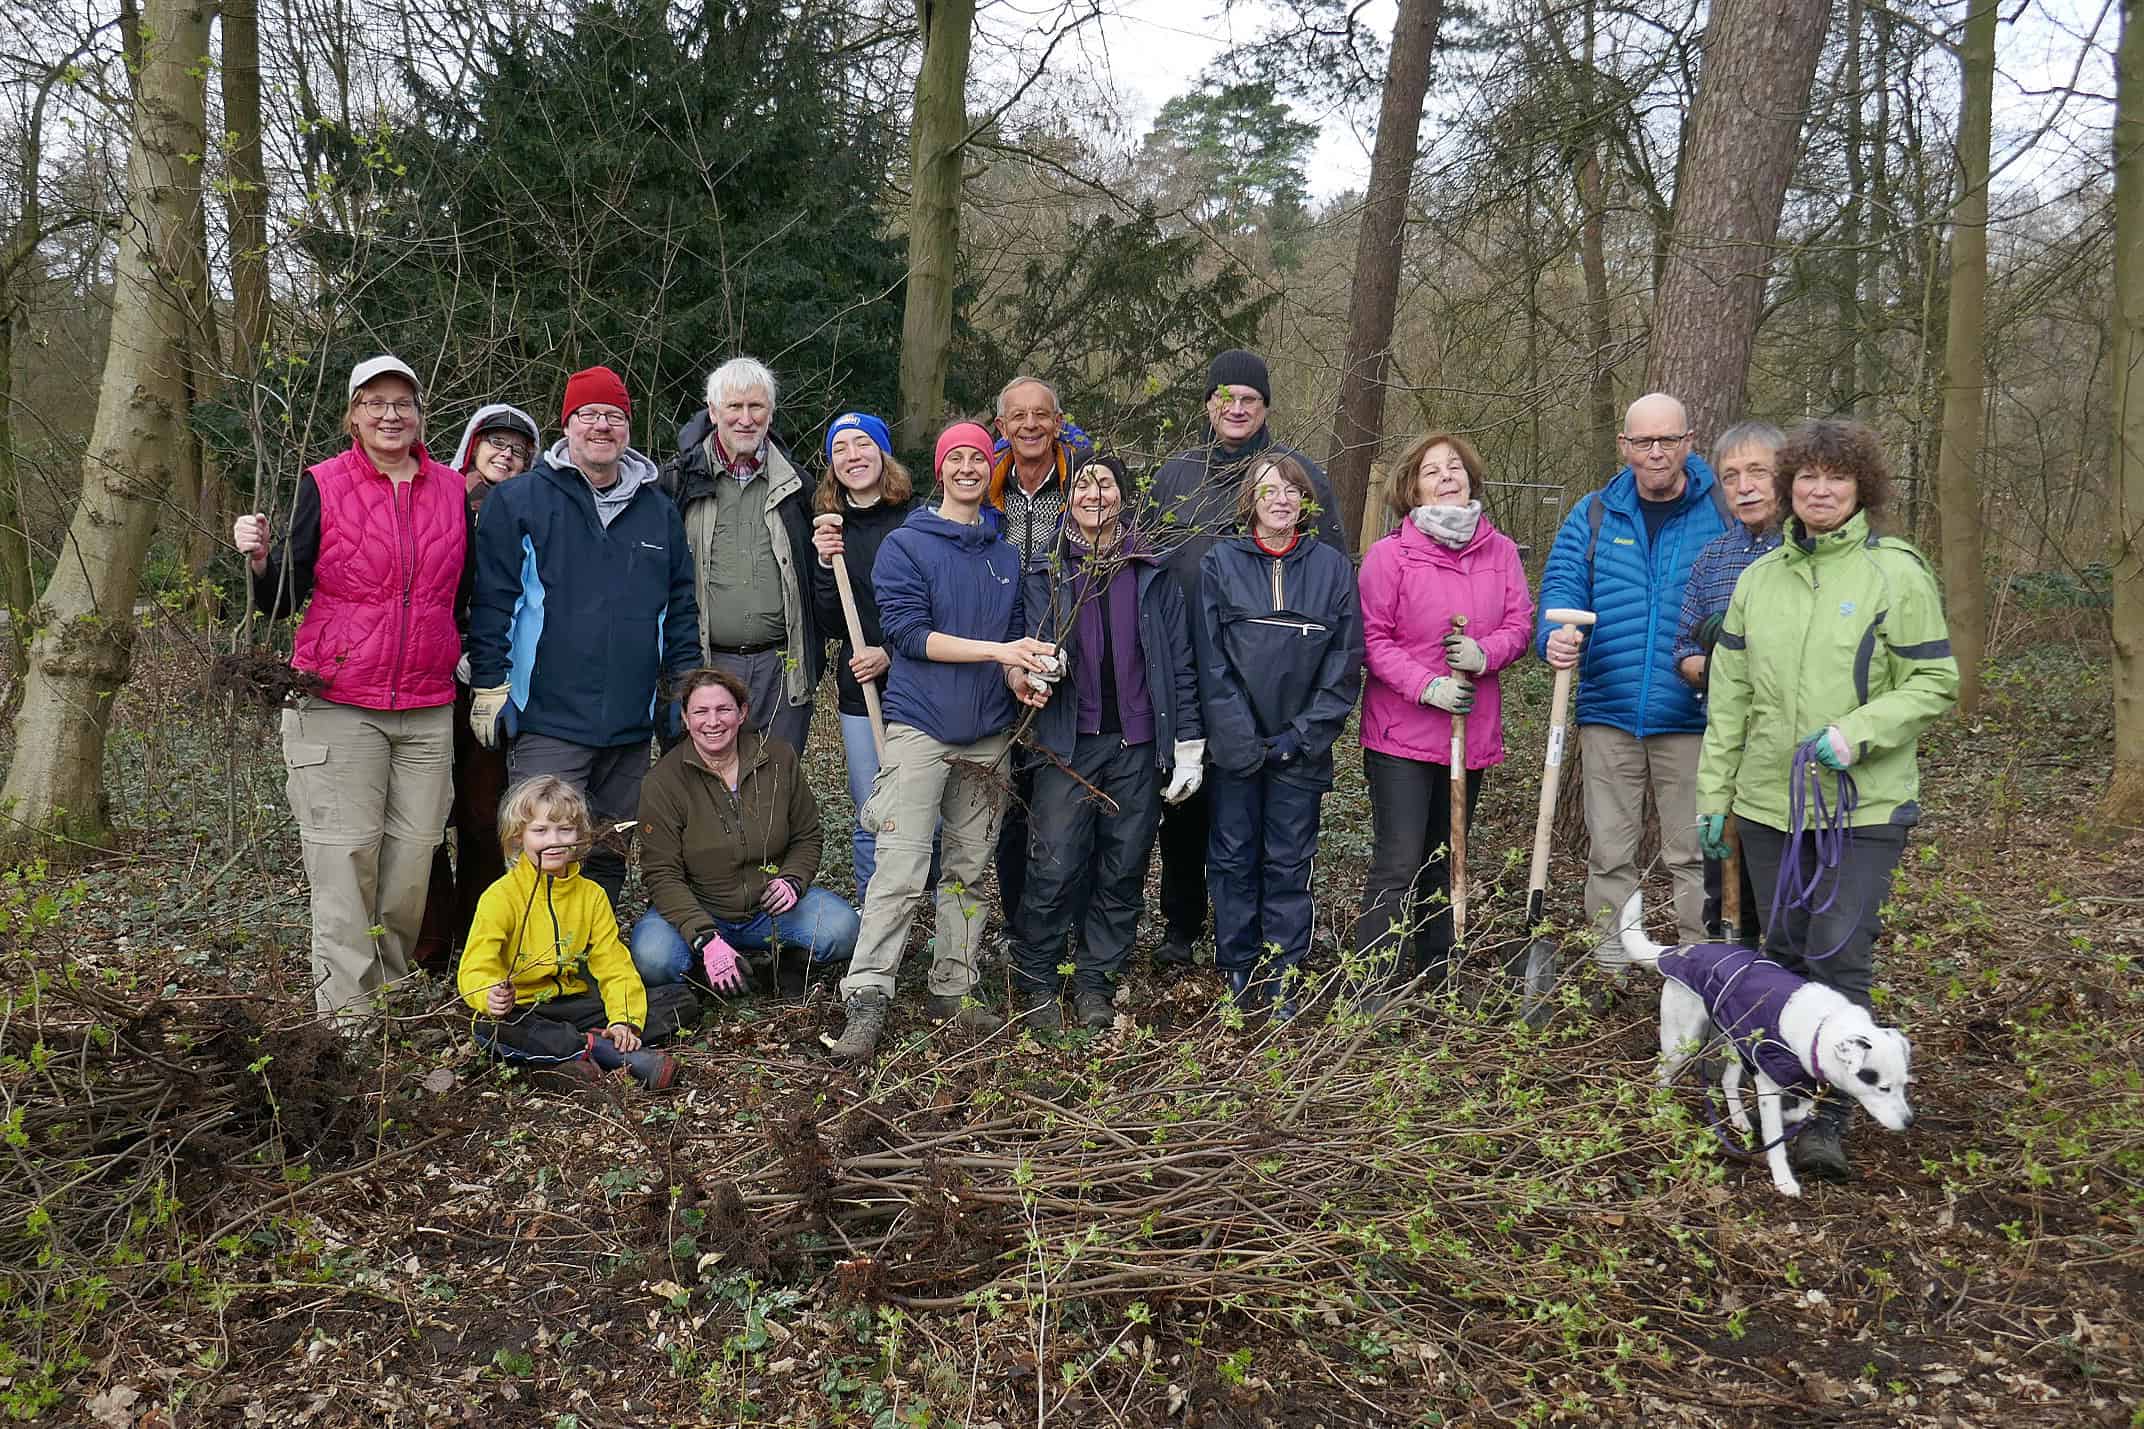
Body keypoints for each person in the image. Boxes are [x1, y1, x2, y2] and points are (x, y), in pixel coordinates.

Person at [1696, 418, 1957, 1182]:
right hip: (1772, 805)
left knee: (1838, 955)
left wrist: (1860, 731)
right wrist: (1717, 796)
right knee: (1778, 955)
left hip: (1862, 807)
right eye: (1805, 476)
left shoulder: (1896, 572)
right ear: (1787, 485)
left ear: (1859, 487)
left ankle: (1828, 1118)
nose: (1818, 489)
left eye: (1834, 478)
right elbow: (1732, 702)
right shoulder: (1759, 578)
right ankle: (1779, 1092)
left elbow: (1935, 681)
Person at [233, 355, 467, 1021]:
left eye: (403, 402)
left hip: (426, 707)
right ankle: (348, 1028)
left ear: (420, 414)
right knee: (345, 865)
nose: (390, 414)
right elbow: (282, 598)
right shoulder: (324, 483)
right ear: (354, 415)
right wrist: (258, 559)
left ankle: (387, 1007)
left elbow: (464, 594)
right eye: (375, 402)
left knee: (410, 867)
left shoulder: (450, 490)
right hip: (336, 705)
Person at [824, 422, 1059, 1061]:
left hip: (987, 735)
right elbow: (905, 634)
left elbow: (1010, 641)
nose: (966, 469)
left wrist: (1018, 674)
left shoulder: (1005, 550)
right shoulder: (907, 545)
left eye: (977, 459)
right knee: (900, 866)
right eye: (954, 458)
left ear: (990, 470)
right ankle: (869, 993)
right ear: (939, 469)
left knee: (969, 869)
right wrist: (998, 651)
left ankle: (953, 986)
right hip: (920, 725)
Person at [465, 365, 700, 910]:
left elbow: (679, 611)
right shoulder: (521, 500)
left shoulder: (658, 513)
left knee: (608, 850)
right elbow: (495, 599)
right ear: (567, 424)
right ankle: (537, 971)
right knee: (544, 850)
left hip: (630, 725)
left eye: (614, 417)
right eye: (589, 414)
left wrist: (680, 693)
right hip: (548, 719)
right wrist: (490, 683)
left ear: (627, 430)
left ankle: (591, 962)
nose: (601, 426)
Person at [1147, 350, 1347, 970]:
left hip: (1277, 683)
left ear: (1265, 408)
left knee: (1265, 824)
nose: (1236, 410)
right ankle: (1183, 925)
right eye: (1224, 398)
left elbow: (1332, 579)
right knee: (1185, 804)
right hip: (1191, 665)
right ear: (1208, 404)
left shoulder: (1299, 476)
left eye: (1249, 401)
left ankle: (1269, 940)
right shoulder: (1178, 475)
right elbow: (1149, 565)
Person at [1534, 392, 1734, 957]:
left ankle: (1703, 969)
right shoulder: (1595, 513)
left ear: (1688, 443)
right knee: (1610, 853)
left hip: (1690, 715)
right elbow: (1561, 589)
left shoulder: (1720, 511)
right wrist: (1553, 638)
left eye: (1667, 439)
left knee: (1693, 852)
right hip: (1610, 710)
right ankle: (1611, 964)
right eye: (1643, 441)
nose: (1656, 452)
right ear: (1624, 447)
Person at [1011, 454, 1204, 1032]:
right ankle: (1039, 976)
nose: (1095, 495)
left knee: (1123, 867)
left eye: (1108, 484)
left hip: (1138, 743)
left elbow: (1180, 662)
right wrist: (1038, 668)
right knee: (1054, 864)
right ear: (1067, 499)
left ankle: (1096, 978)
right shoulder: (1046, 570)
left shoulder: (1150, 569)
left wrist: (1187, 738)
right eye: (1083, 485)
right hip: (1067, 743)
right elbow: (1023, 644)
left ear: (1124, 496)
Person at [1351, 433, 1532, 1005]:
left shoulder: (1500, 552)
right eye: (1432, 470)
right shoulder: (1389, 556)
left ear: (1471, 479)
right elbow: (1372, 641)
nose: (1447, 475)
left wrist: (1487, 653)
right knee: (1399, 860)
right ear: (1413, 488)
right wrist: (1426, 684)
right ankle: (1371, 983)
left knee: (1447, 854)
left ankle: (1437, 975)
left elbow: (1520, 624)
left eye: (1455, 467)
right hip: (1401, 735)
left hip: (1468, 734)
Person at [1195, 454, 1363, 1018]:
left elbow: (1343, 663)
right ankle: (1237, 967)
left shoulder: (1334, 570)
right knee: (1233, 857)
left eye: (1293, 491)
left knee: (1289, 861)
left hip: (1300, 749)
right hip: (1235, 747)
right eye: (1269, 490)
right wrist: (1239, 737)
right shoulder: (1220, 564)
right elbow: (1209, 658)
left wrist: (1302, 735)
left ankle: (1284, 969)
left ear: (1306, 502)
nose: (1281, 500)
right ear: (1250, 500)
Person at [629, 668, 861, 999]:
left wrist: (793, 880)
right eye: (700, 711)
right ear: (685, 718)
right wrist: (704, 937)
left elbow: (807, 834)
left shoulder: (778, 759)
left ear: (742, 713)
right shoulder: (663, 781)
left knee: (843, 929)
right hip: (700, 908)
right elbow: (661, 874)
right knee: (653, 958)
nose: (713, 722)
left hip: (770, 909)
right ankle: (706, 968)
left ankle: (786, 963)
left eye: (723, 709)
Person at [459, 775, 699, 1089]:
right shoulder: (500, 897)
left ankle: (565, 1059)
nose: (554, 841)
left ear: (579, 836)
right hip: (527, 1008)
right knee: (489, 1027)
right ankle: (603, 1051)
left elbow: (612, 964)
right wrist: (490, 993)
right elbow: (476, 965)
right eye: (540, 830)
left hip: (578, 1004)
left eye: (565, 829)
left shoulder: (591, 895)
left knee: (679, 999)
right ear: (518, 837)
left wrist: (623, 1019)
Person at [415, 403, 542, 965]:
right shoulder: (438, 501)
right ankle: (430, 941)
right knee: (423, 818)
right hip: (428, 680)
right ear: (473, 445)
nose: (505, 454)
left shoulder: (529, 511)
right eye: (495, 442)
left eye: (517, 449)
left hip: (498, 682)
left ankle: (480, 935)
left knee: (484, 814)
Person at [661, 357, 821, 754]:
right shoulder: (678, 482)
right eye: (734, 407)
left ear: (771, 412)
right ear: (713, 411)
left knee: (775, 787)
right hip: (706, 662)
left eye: (757, 407)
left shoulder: (799, 486)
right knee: (706, 793)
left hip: (782, 666)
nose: (746, 419)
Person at [1672, 419, 1785, 944]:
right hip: (1723, 748)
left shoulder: (1802, 555)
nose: (1745, 486)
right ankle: (1730, 996)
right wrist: (1721, 668)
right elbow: (1684, 652)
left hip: (1788, 759)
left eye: (1758, 472)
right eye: (1732, 475)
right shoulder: (1714, 558)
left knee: (1784, 897)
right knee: (1725, 889)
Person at [808, 411, 920, 895]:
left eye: (863, 445)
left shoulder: (916, 521)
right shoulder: (833, 530)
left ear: (882, 453)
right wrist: (821, 562)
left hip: (919, 685)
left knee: (920, 808)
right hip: (860, 690)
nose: (853, 456)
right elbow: (830, 622)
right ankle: (870, 913)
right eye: (841, 449)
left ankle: (921, 907)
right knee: (869, 809)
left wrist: (890, 653)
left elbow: (935, 607)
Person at [988, 376, 1079, 933]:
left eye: (1040, 415)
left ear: (1057, 422)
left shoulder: (1080, 487)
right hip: (994, 660)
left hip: (1064, 660)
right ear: (1002, 427)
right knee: (1006, 805)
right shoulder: (986, 487)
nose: (1029, 425)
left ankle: (1056, 924)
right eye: (1017, 416)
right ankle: (1013, 922)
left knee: (1056, 801)